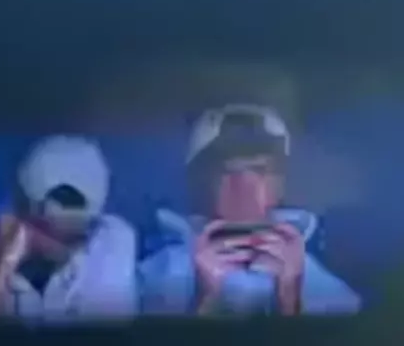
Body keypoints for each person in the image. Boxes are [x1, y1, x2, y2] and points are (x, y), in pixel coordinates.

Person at [138, 104, 360, 316]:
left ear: (280, 184)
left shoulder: (313, 276)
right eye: (228, 171)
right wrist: (205, 299)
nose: (245, 186)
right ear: (201, 181)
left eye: (260, 170)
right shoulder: (154, 276)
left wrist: (290, 300)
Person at [0, 135, 138, 319]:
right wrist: (1, 272)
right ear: (22, 209)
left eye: (80, 234)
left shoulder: (113, 240)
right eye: (49, 231)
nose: (71, 246)